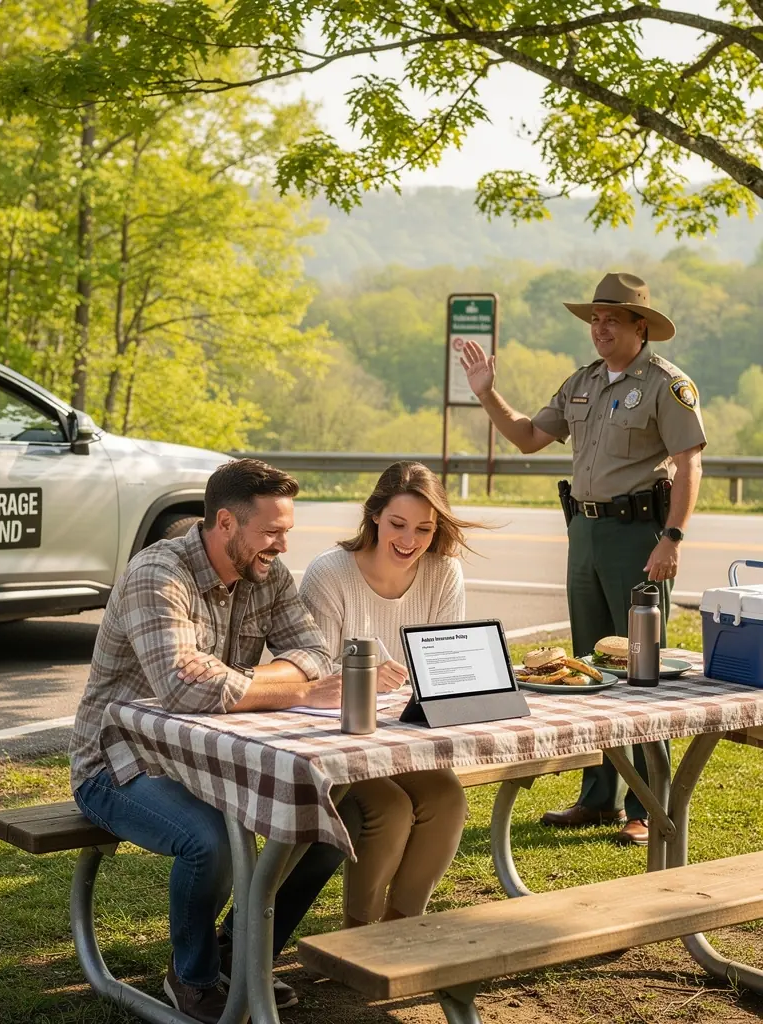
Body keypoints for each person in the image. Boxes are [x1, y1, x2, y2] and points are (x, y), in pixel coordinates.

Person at [68, 458, 359, 1023]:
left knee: (319, 830)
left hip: (210, 758)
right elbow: (182, 688)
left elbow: (317, 654)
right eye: (272, 531)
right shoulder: (159, 575)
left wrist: (252, 683)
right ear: (225, 523)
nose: (282, 544)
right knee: (212, 845)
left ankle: (241, 959)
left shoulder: (265, 574)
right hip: (119, 762)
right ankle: (193, 976)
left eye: (287, 531)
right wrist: (297, 691)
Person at [461, 272, 706, 847]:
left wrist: (672, 537)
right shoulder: (584, 382)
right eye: (594, 319)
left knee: (641, 669)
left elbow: (690, 464)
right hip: (585, 534)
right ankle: (599, 795)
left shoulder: (666, 386)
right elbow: (527, 437)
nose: (599, 328)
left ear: (640, 327)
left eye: (611, 319)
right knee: (587, 669)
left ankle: (648, 805)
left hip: (639, 535)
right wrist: (485, 391)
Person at [299, 461, 473, 927]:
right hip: (339, 741)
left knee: (448, 800)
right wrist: (362, 675)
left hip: (405, 737)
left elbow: (445, 661)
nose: (409, 540)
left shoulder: (444, 572)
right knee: (391, 809)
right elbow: (311, 670)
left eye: (424, 528)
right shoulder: (329, 573)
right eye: (398, 524)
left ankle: (400, 926)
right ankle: (360, 932)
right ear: (374, 515)